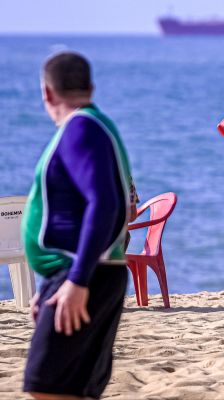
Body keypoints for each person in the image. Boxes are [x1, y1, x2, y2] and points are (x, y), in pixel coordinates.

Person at [21, 52, 133, 399]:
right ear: (90, 87)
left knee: (46, 387)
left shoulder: (80, 128)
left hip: (87, 275)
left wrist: (77, 280)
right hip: (86, 273)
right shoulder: (93, 125)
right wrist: (52, 282)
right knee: (70, 391)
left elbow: (105, 204)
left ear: (47, 92)